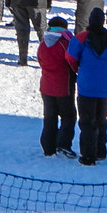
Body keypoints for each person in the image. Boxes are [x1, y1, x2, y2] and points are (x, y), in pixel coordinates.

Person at [64, 19, 107, 164]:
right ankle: (100, 151)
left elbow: (70, 57)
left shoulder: (81, 38)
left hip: (86, 86)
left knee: (87, 121)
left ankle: (88, 155)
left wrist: (78, 70)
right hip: (105, 88)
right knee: (101, 120)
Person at [36, 15, 78, 156]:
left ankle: (48, 146)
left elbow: (41, 61)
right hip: (63, 86)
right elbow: (72, 62)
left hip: (46, 86)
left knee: (50, 117)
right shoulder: (66, 43)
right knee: (68, 116)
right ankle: (63, 144)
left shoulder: (43, 43)